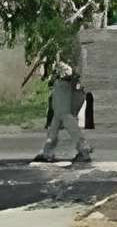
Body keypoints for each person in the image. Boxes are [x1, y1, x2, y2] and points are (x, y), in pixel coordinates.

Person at [36, 29, 92, 168]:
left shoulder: (68, 46)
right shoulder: (77, 45)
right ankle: (48, 151)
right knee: (57, 118)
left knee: (65, 117)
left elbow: (68, 70)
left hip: (65, 84)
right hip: (70, 85)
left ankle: (83, 148)